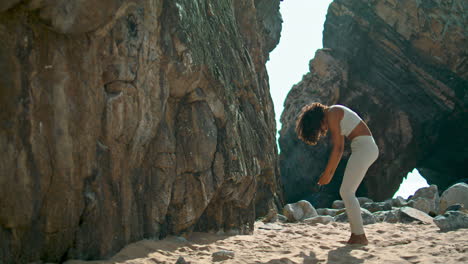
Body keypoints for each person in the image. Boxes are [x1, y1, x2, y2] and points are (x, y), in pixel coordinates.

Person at [295, 102, 379, 245]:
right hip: (364, 147)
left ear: (318, 120)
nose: (323, 130)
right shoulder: (334, 112)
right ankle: (357, 235)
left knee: (346, 192)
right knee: (347, 191)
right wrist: (329, 173)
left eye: (319, 128)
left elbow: (338, 148)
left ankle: (359, 236)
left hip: (364, 148)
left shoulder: (333, 113)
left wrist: (328, 173)